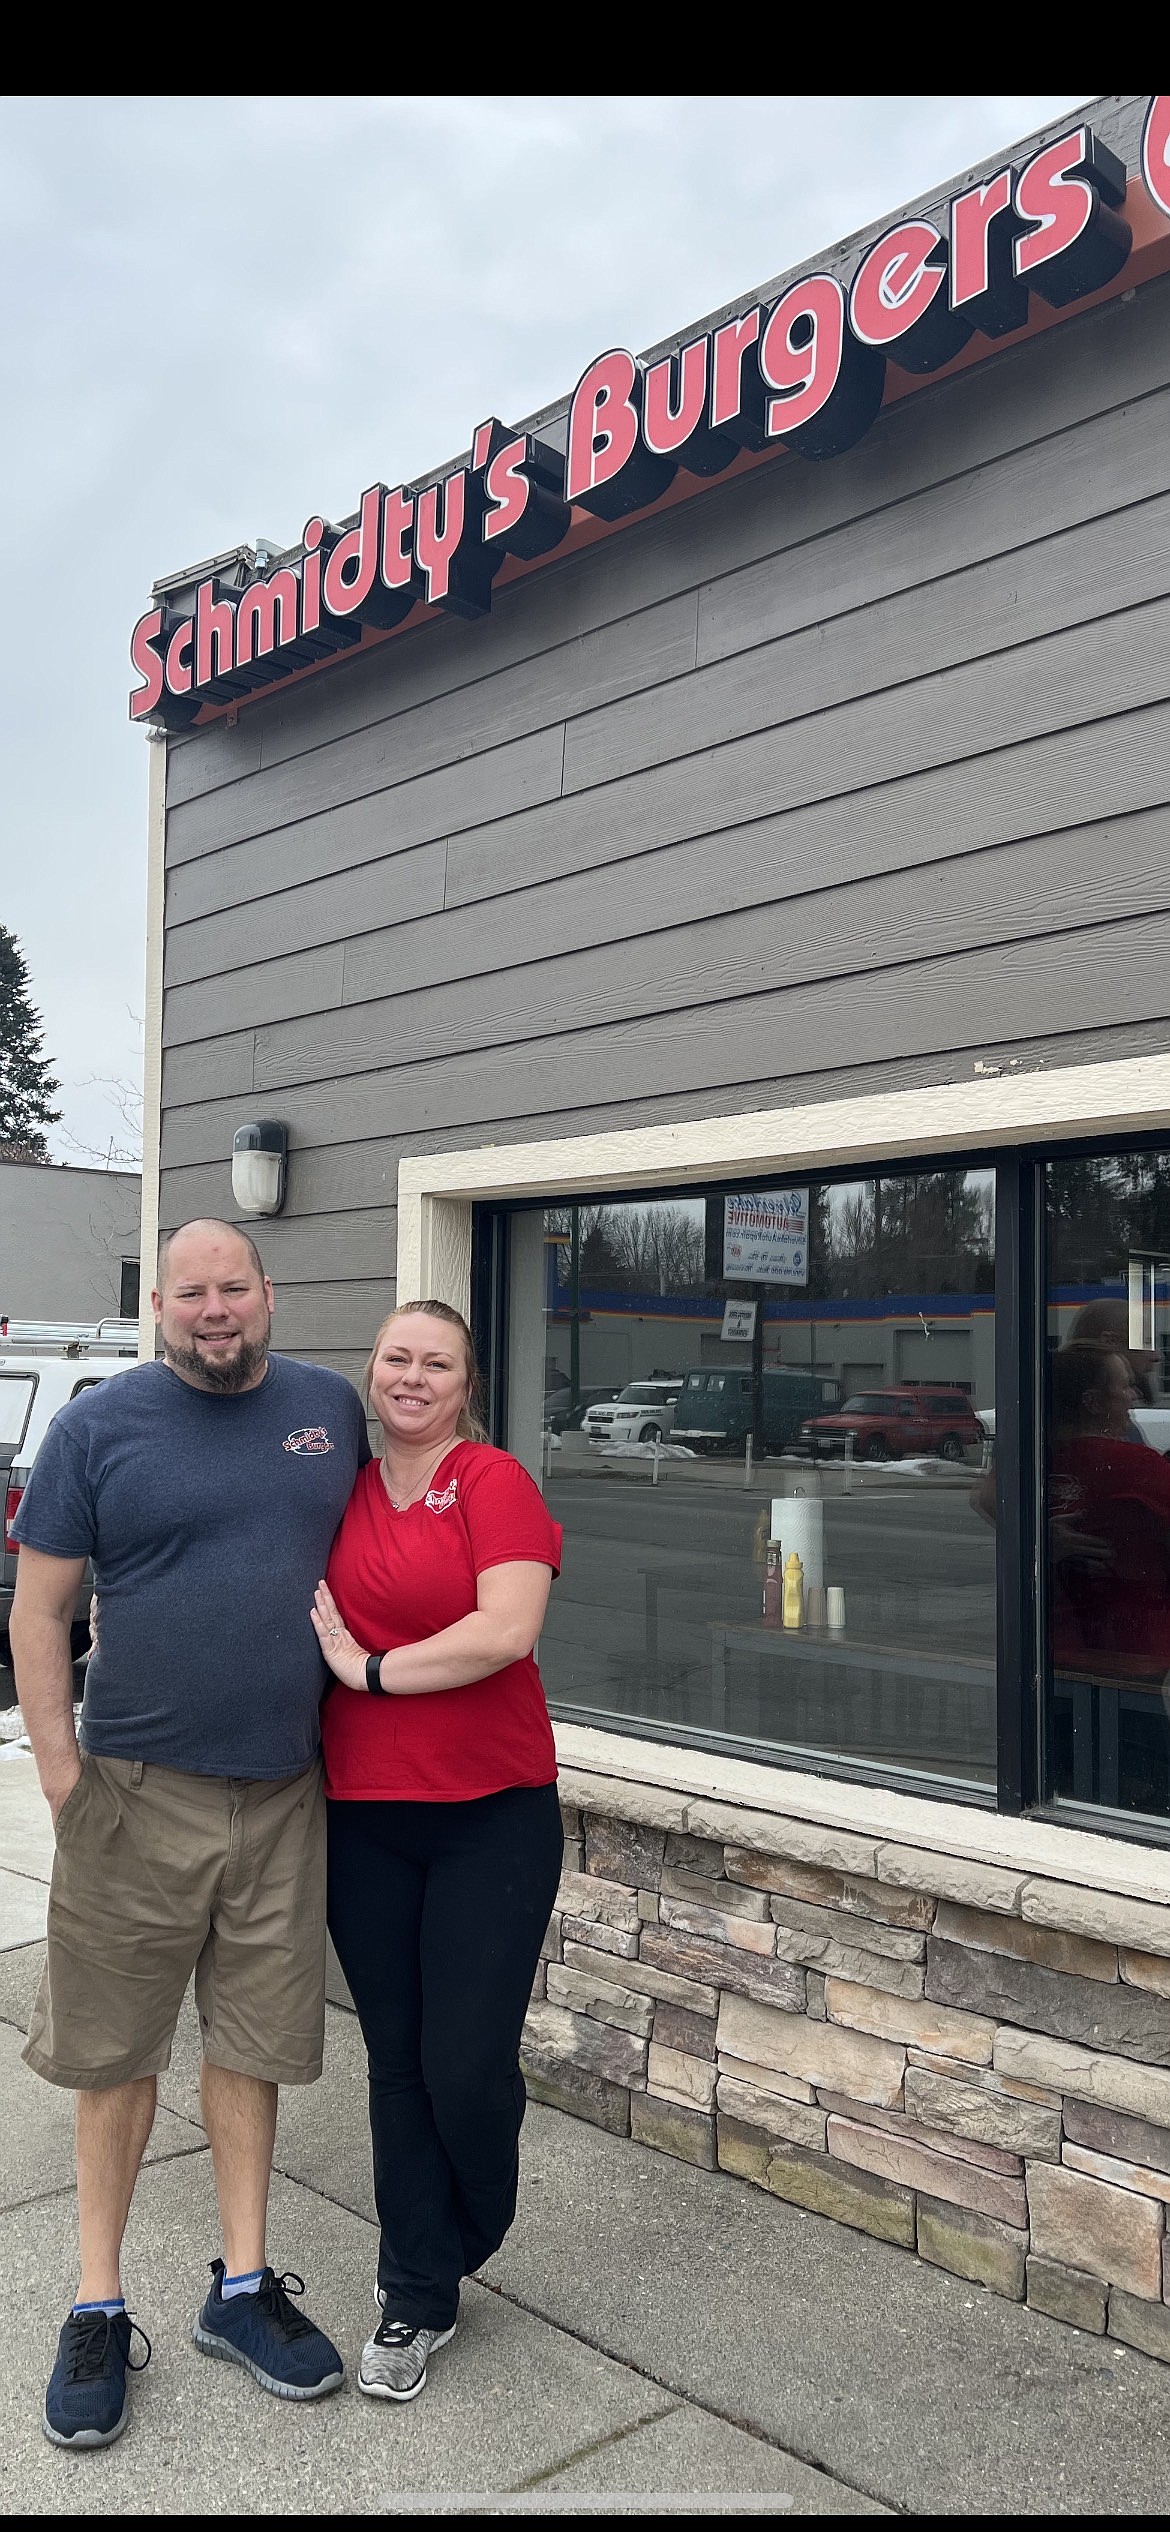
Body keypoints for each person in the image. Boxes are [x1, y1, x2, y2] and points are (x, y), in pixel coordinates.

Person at [10, 1219, 369, 2449]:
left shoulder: (330, 1409)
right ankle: (98, 2304)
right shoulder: (97, 1429)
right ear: (158, 1305)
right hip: (132, 1792)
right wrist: (64, 1775)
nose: (215, 1309)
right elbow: (41, 1611)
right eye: (191, 1293)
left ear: (270, 1296)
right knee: (114, 2056)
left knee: (255, 2046)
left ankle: (241, 2287)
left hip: (284, 1793)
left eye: (235, 1289)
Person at [310, 1298, 563, 2404]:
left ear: (467, 1382)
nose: (412, 1377)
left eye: (437, 1362)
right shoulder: (343, 1491)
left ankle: (474, 2222)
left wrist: (367, 1670)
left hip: (491, 1814)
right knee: (399, 2061)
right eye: (395, 1358)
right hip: (364, 1816)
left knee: (467, 2065)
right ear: (372, 1371)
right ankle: (413, 2292)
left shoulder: (493, 1480)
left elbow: (505, 1630)